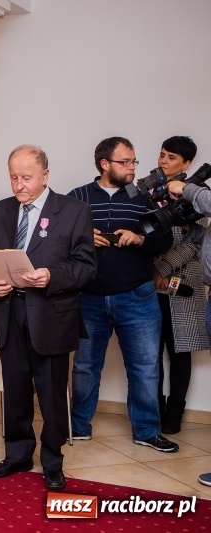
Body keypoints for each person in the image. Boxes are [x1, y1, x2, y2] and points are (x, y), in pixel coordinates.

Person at [0, 145, 96, 491]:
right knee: (15, 390)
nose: (19, 185)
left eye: (26, 178)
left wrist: (51, 276)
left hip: (51, 316)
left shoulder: (74, 211)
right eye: (13, 177)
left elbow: (87, 267)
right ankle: (17, 455)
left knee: (52, 394)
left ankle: (52, 460)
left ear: (45, 175)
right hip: (10, 312)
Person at [68, 136, 178, 452]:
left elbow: (166, 242)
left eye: (134, 162)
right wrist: (83, 237)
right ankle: (78, 427)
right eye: (125, 162)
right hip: (88, 298)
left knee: (145, 368)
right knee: (85, 367)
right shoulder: (76, 198)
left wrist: (141, 238)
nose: (132, 168)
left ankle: (146, 431)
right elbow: (57, 240)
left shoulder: (145, 198)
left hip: (138, 297)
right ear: (105, 164)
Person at [152, 136, 207, 434]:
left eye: (171, 157)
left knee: (180, 352)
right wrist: (151, 272)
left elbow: (197, 243)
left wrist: (162, 268)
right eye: (162, 154)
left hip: (183, 285)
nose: (163, 161)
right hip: (148, 285)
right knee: (151, 353)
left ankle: (174, 416)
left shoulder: (199, 194)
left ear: (186, 163)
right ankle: (154, 410)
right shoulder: (147, 189)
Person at [166, 176, 211, 488]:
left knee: (180, 354)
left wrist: (190, 190)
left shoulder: (195, 191)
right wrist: (191, 229)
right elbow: (203, 234)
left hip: (191, 288)